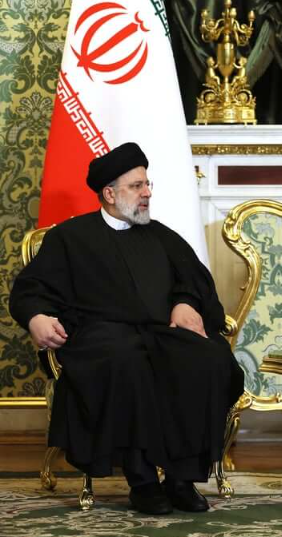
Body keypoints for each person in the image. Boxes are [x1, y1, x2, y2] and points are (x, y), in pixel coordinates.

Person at [10, 142, 245, 515]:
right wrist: (37, 317)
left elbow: (195, 282)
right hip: (101, 336)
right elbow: (31, 290)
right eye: (137, 186)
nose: (148, 192)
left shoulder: (163, 236)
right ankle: (143, 481)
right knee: (125, 360)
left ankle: (183, 479)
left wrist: (185, 303)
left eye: (147, 184)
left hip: (162, 332)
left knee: (208, 357)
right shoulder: (69, 238)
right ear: (109, 193)